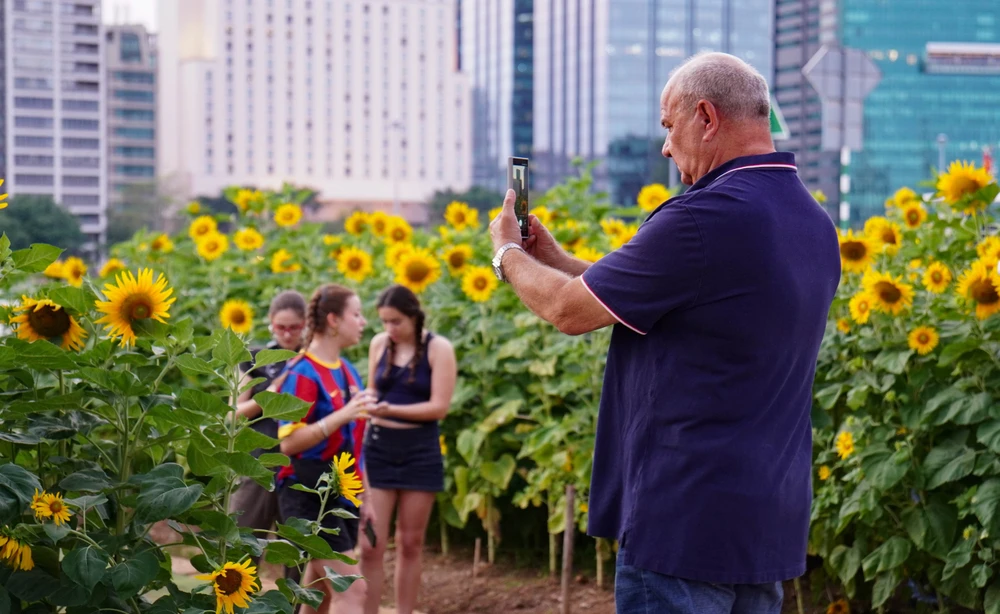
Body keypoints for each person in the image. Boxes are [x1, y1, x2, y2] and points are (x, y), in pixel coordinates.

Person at [487, 52, 841, 614]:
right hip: (767, 519)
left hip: (683, 521)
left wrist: (506, 253)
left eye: (668, 125)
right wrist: (553, 257)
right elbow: (677, 293)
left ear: (705, 116)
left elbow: (566, 312)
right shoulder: (813, 222)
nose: (665, 146)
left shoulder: (702, 217)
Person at [276, 284, 376, 614]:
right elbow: (288, 442)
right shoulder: (302, 372)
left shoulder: (347, 370)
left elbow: (355, 445)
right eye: (357, 314)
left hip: (341, 493)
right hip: (307, 493)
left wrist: (367, 497)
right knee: (352, 589)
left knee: (319, 592)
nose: (363, 322)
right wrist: (340, 416)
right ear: (333, 320)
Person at [358, 285, 457, 614]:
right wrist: (369, 404)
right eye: (384, 322)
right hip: (379, 449)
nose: (390, 329)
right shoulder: (379, 344)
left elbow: (439, 407)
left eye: (396, 321)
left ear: (414, 316)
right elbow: (372, 390)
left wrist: (390, 410)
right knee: (371, 545)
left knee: (410, 543)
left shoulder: (438, 348)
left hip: (420, 450)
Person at [229, 290, 307, 556]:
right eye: (281, 327)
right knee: (241, 545)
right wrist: (271, 395)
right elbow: (234, 415)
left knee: (298, 553)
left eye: (294, 328)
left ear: (306, 324)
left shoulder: (311, 362)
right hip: (258, 465)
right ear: (271, 323)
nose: (287, 334)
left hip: (299, 465)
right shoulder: (253, 359)